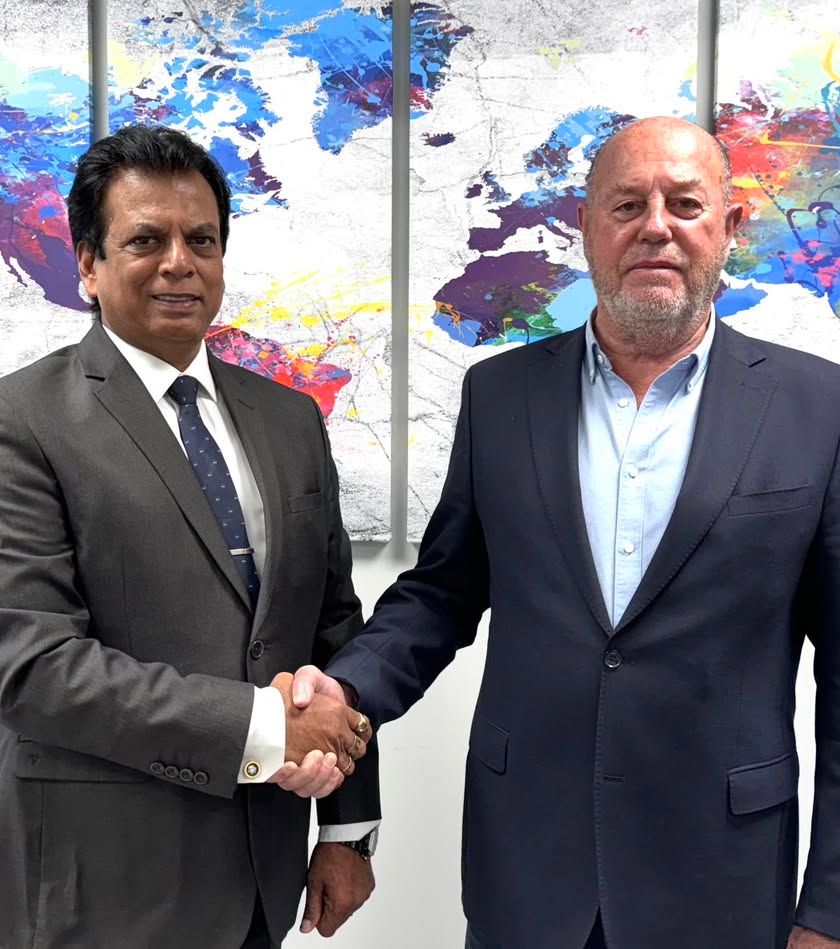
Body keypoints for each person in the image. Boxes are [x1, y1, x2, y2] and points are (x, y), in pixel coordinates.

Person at [286, 117, 840, 948]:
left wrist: (829, 909)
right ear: (585, 226)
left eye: (685, 204)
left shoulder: (817, 408)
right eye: (627, 204)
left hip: (722, 878)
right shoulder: (500, 396)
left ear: (730, 227)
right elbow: (441, 593)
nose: (656, 226)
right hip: (528, 869)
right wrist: (348, 689)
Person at [0, 125, 380, 949]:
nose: (180, 262)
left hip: (262, 879)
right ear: (89, 264)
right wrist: (264, 726)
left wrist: (347, 829)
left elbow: (333, 629)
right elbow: (34, 667)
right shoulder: (21, 421)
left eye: (201, 240)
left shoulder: (290, 420)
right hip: (101, 889)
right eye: (147, 240)